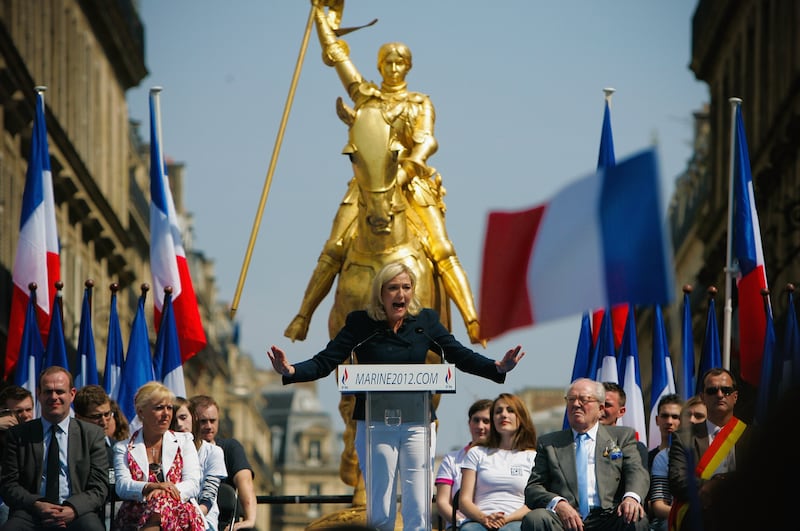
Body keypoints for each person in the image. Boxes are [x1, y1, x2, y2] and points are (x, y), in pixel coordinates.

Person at [268, 261, 524, 531]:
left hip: (417, 422)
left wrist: (497, 367)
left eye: (406, 287)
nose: (400, 294)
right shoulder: (360, 323)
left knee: (418, 503)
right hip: (375, 423)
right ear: (381, 293)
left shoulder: (425, 321)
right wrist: (291, 370)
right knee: (381, 504)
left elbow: (459, 354)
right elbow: (326, 360)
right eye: (393, 288)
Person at [285, 0, 482, 345]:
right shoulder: (367, 98)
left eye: (399, 61)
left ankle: (471, 318)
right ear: (379, 65)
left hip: (410, 182)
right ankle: (303, 316)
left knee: (442, 249)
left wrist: (406, 171)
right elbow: (336, 56)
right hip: (366, 187)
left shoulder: (419, 103)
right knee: (334, 248)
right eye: (387, 61)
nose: (393, 67)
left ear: (408, 66)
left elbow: (427, 141)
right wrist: (321, 18)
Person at [522, 378, 649, 531]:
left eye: (584, 400)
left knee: (635, 517)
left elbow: (636, 471)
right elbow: (534, 488)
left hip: (608, 516)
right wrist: (558, 503)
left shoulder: (620, 437)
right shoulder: (549, 443)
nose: (576, 404)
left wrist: (631, 497)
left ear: (600, 408)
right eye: (571, 399)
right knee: (535, 519)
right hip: (565, 519)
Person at [0, 366, 108, 530]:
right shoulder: (18, 435)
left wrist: (72, 509)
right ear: (39, 394)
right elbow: (9, 485)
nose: (54, 397)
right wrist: (37, 504)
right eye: (48, 391)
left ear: (72, 394)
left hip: (77, 512)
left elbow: (99, 487)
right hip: (31, 512)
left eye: (60, 391)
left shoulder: (92, 434)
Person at [667, 368, 755, 531]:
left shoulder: (752, 436)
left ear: (735, 397)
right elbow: (677, 480)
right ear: (703, 398)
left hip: (741, 512)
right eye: (713, 390)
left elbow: (760, 477)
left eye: (726, 390)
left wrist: (724, 486)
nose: (720, 395)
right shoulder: (684, 436)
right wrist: (712, 487)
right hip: (699, 516)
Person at [113, 381, 204, 531]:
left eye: (169, 408)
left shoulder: (184, 441)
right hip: (136, 513)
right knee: (158, 505)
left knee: (161, 503)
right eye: (159, 408)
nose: (166, 414)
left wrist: (164, 493)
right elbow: (122, 486)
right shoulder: (123, 447)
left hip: (178, 512)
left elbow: (193, 484)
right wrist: (150, 487)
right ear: (141, 412)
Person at [459, 393, 537, 530]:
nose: (504, 415)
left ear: (521, 417)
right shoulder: (477, 453)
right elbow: (464, 501)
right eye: (498, 411)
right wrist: (484, 518)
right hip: (480, 521)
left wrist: (506, 519)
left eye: (510, 410)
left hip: (516, 521)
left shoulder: (533, 457)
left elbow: (535, 503)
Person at [190, 395, 257, 531]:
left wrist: (249, 520)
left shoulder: (230, 448)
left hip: (223, 524)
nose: (209, 426)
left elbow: (245, 482)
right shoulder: (181, 449)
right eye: (203, 421)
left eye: (213, 421)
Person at [435, 398, 493, 529]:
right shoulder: (452, 459)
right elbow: (442, 502)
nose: (480, 426)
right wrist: (463, 522)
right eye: (476, 420)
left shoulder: (503, 457)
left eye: (486, 421)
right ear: (469, 423)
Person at [172, 397, 227, 531]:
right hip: (169, 517)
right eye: (174, 420)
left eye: (183, 418)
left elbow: (207, 499)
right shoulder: (165, 451)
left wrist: (185, 518)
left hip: (203, 521)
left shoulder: (213, 452)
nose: (179, 424)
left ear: (193, 418)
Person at [648, 396, 703, 531]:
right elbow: (658, 505)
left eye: (699, 416)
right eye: (688, 415)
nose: (691, 420)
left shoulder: (724, 452)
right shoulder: (662, 457)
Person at [73, 385, 118, 527]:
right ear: (78, 417)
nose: (104, 422)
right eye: (96, 416)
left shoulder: (119, 449)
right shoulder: (69, 449)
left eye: (107, 414)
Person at [0, 386, 35, 525]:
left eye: (29, 410)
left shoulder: (38, 434)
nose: (26, 416)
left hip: (27, 500)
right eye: (19, 411)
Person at [599, 382, 648, 466]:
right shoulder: (579, 442)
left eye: (607, 405)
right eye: (598, 404)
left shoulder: (635, 448)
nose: (601, 409)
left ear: (621, 412)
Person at [646, 394, 682, 471]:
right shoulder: (647, 459)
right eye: (664, 416)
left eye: (675, 417)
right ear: (657, 420)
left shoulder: (690, 458)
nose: (669, 421)